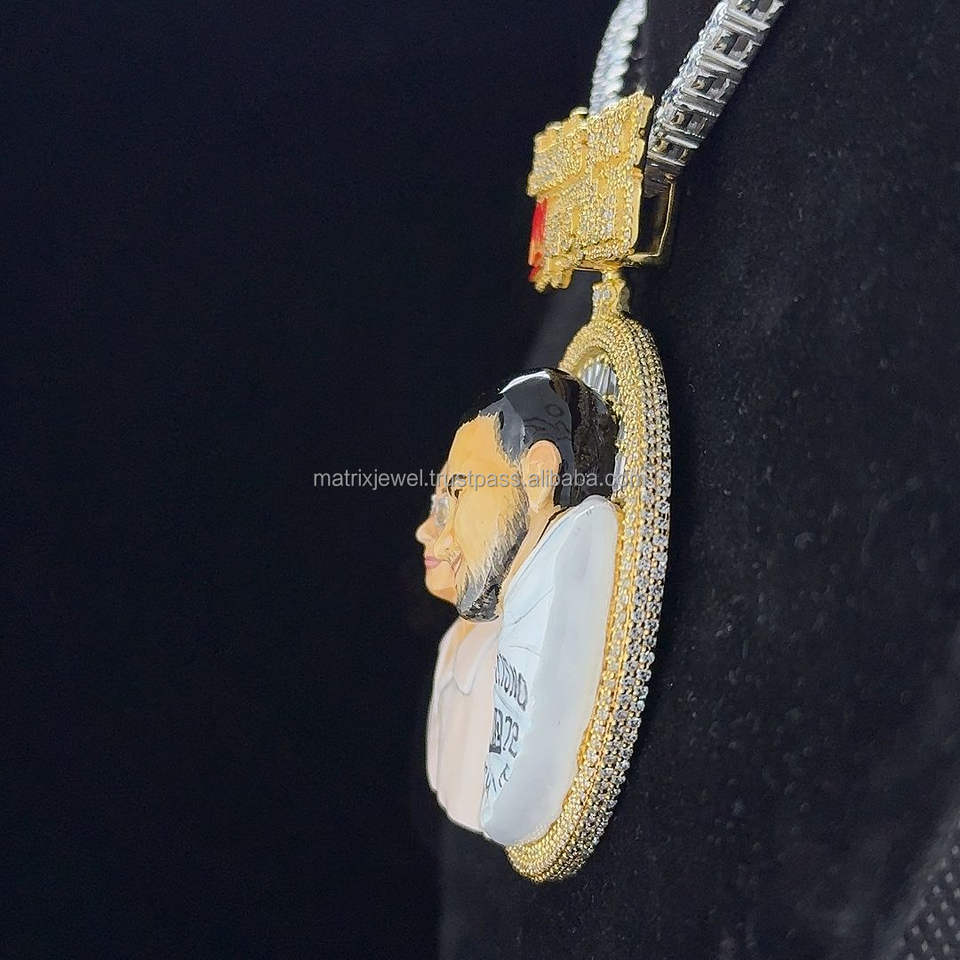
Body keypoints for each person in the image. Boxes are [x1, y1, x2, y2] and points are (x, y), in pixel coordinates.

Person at [424, 369, 621, 846]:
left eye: (460, 492)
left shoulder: (573, 568)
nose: (441, 538)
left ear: (537, 475)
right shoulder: (516, 611)